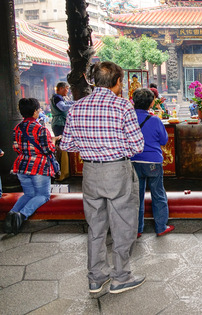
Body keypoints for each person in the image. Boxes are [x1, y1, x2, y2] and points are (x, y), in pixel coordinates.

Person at [60, 61, 146, 294]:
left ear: (93, 81)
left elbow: (67, 144)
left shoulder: (76, 107)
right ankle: (121, 276)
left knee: (95, 226)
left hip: (90, 172)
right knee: (123, 224)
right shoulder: (122, 107)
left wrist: (90, 146)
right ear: (118, 82)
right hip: (117, 171)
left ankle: (96, 277)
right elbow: (137, 145)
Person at [3, 98, 60, 235]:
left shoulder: (17, 128)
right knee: (43, 195)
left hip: (22, 166)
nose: (39, 111)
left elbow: (16, 148)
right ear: (35, 112)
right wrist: (53, 141)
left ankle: (11, 216)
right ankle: (21, 215)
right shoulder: (41, 129)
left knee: (29, 194)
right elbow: (48, 150)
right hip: (39, 167)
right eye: (39, 109)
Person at [131, 88, 174, 239]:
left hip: (134, 161)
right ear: (150, 103)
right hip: (153, 163)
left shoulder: (128, 119)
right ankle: (161, 227)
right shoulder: (154, 120)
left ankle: (137, 229)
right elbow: (164, 140)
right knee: (158, 194)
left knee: (137, 196)